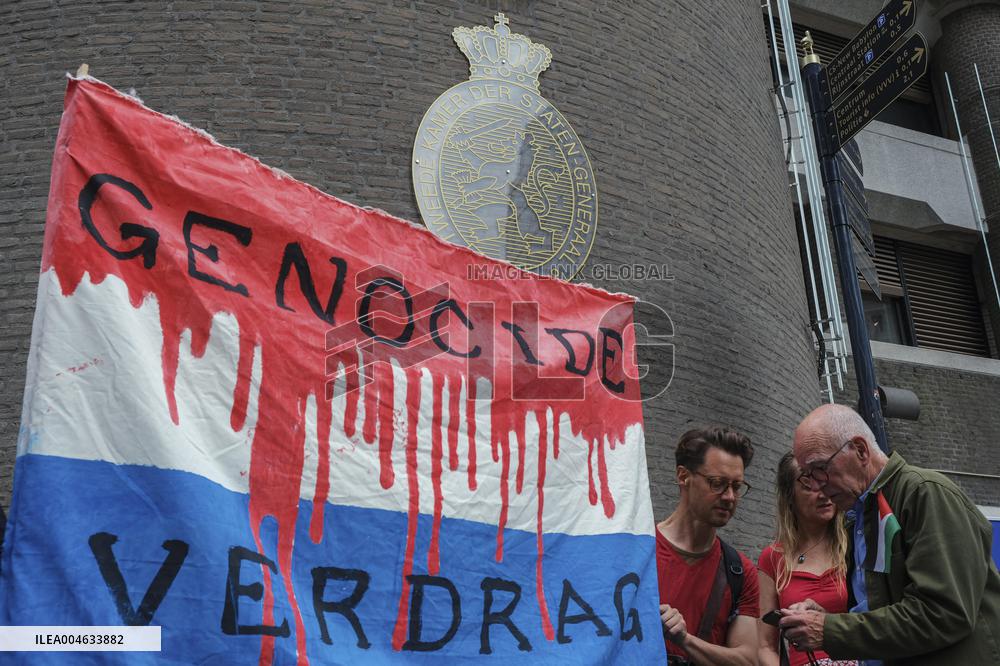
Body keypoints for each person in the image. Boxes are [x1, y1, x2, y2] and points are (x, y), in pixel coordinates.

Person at [780, 404, 1000, 665]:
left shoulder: (925, 493)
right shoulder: (860, 516)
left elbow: (943, 613)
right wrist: (831, 619)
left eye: (820, 468)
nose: (816, 485)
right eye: (807, 476)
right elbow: (884, 610)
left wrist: (831, 629)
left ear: (860, 450)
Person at [657, 426, 759, 665]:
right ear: (683, 477)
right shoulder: (638, 552)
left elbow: (747, 661)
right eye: (717, 483)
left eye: (736, 486)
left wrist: (684, 639)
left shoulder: (740, 571)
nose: (730, 497)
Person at [758, 452, 856, 666]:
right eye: (808, 484)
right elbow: (766, 645)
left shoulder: (854, 545)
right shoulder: (773, 558)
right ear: (789, 496)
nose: (823, 493)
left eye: (824, 480)